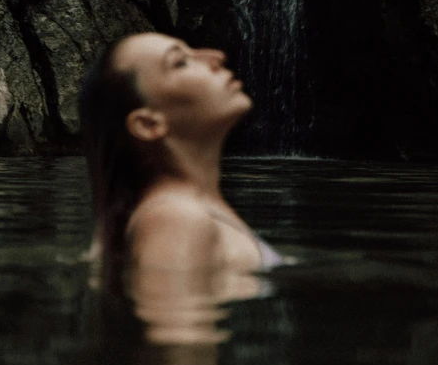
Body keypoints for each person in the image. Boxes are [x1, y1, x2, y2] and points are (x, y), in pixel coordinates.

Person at [78, 32, 287, 294]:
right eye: (181, 62)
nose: (216, 57)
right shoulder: (178, 218)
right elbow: (176, 333)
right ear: (148, 124)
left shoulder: (183, 210)